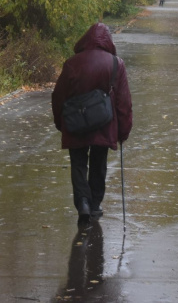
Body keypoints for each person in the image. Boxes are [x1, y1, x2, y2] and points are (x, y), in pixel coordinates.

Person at [52, 23, 133, 225]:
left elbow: (58, 96)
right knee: (99, 164)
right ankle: (95, 204)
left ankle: (83, 204)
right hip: (104, 123)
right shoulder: (116, 64)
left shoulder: (72, 63)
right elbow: (123, 101)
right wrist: (123, 130)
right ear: (108, 41)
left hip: (75, 123)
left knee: (78, 164)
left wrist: (60, 122)